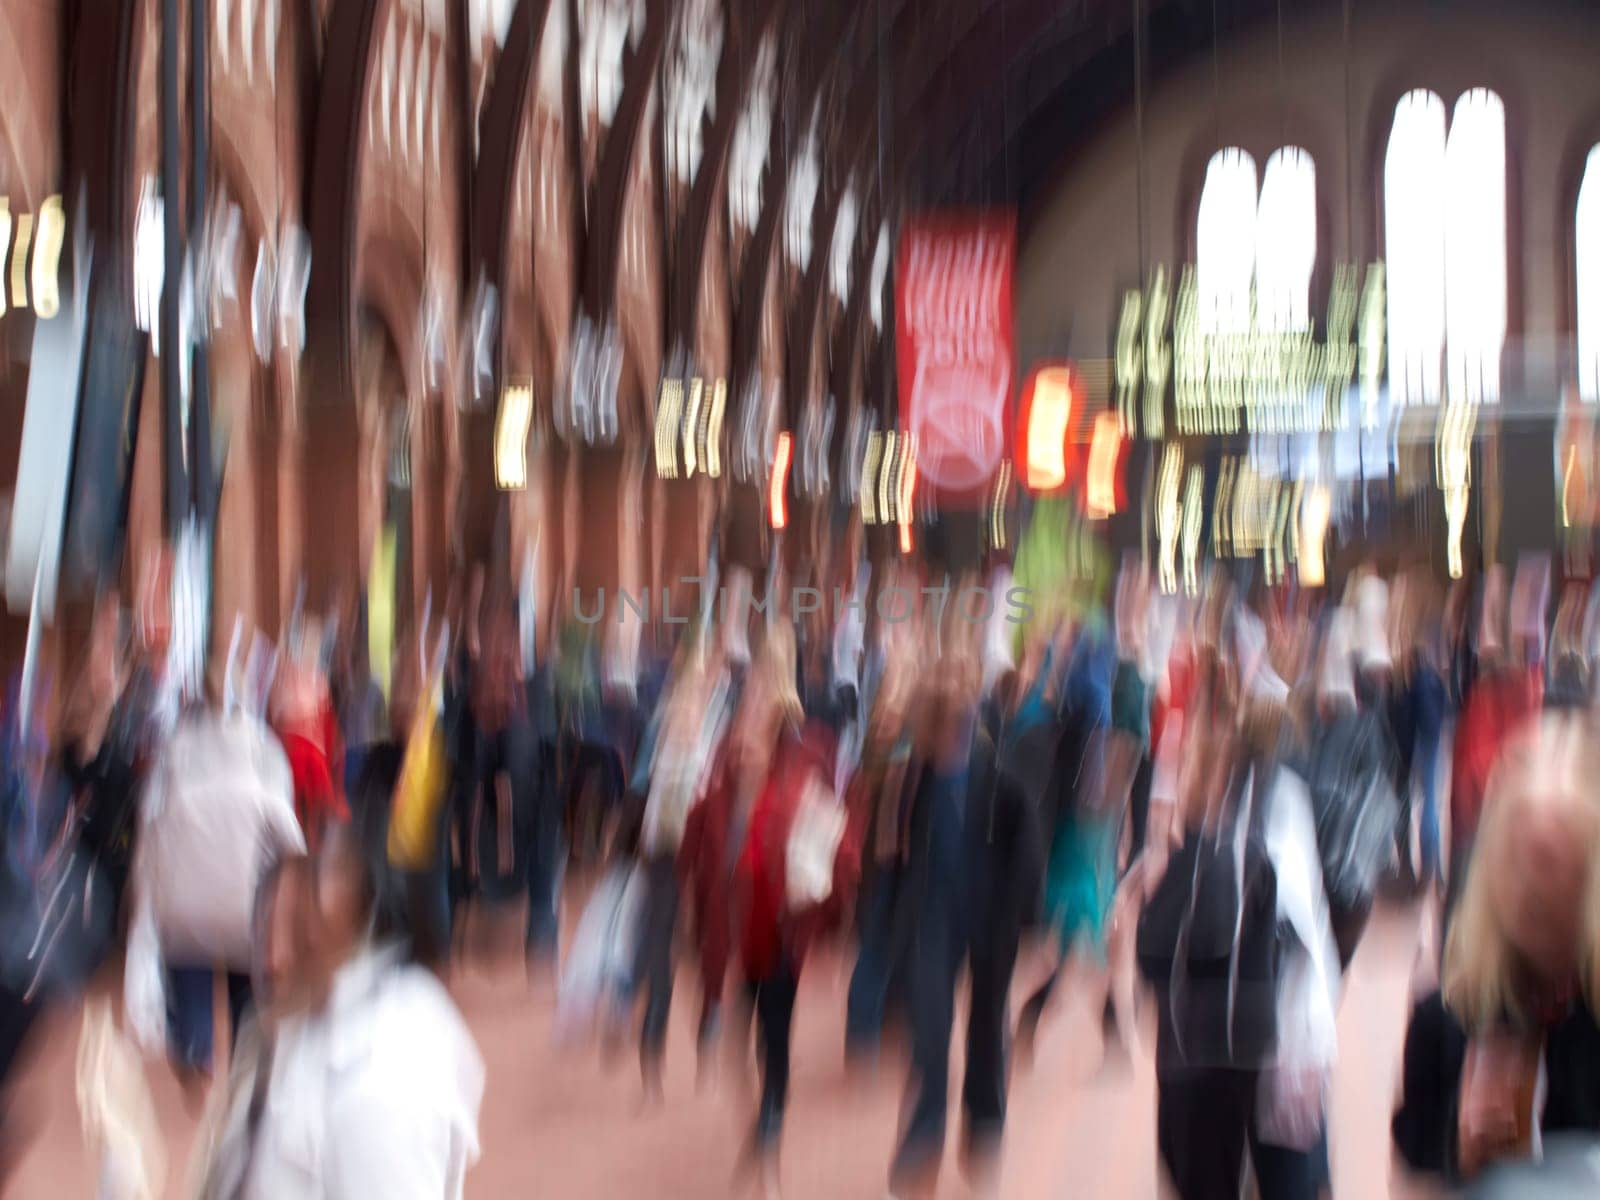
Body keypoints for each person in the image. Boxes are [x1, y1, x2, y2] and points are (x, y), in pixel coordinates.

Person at [196, 825, 485, 1198]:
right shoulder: (288, 1035)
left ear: (355, 926)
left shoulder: (379, 1085)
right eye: (267, 925)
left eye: (301, 928)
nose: (274, 959)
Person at [1393, 713, 1600, 1185]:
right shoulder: (1446, 1020)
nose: (1537, 894)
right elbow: (1415, 1167)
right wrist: (1459, 1148)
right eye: (1523, 865)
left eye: (1559, 870)